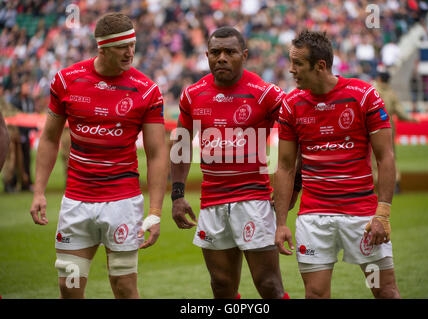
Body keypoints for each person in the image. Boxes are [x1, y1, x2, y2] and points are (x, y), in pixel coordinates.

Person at [29, 13, 169, 299]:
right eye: (122, 47)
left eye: (132, 44)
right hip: (76, 202)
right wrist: (38, 191)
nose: (130, 52)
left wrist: (154, 212)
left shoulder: (147, 90)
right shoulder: (67, 80)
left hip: (123, 202)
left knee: (125, 288)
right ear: (102, 48)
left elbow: (156, 153)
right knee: (68, 287)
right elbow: (49, 137)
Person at [274, 30, 401, 299]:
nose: (291, 70)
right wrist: (281, 222)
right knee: (316, 295)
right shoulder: (291, 104)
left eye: (297, 64)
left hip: (363, 218)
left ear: (320, 66)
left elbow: (385, 157)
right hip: (314, 219)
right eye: (290, 62)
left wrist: (383, 213)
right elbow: (285, 167)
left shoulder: (363, 95)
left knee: (385, 290)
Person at [171, 26, 289, 299]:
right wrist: (177, 194)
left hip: (254, 201)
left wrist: (290, 189)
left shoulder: (265, 93)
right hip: (211, 202)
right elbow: (180, 145)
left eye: (230, 52)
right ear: (206, 55)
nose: (221, 57)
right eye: (215, 52)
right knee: (221, 286)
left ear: (244, 55)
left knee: (269, 285)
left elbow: (295, 136)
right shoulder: (193, 94)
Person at [373, 67, 419, 193]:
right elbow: (400, 112)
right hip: (388, 129)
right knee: (390, 157)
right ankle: (395, 183)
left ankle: (376, 183)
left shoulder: (372, 90)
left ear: (379, 78)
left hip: (373, 129)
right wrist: (412, 119)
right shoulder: (391, 93)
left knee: (373, 158)